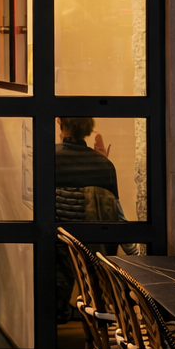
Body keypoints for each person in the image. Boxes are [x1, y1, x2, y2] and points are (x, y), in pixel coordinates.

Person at [54, 117, 126, 324]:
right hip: (92, 250)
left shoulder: (49, 158)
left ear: (59, 122)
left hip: (58, 245)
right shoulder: (104, 165)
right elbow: (118, 214)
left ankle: (61, 310)